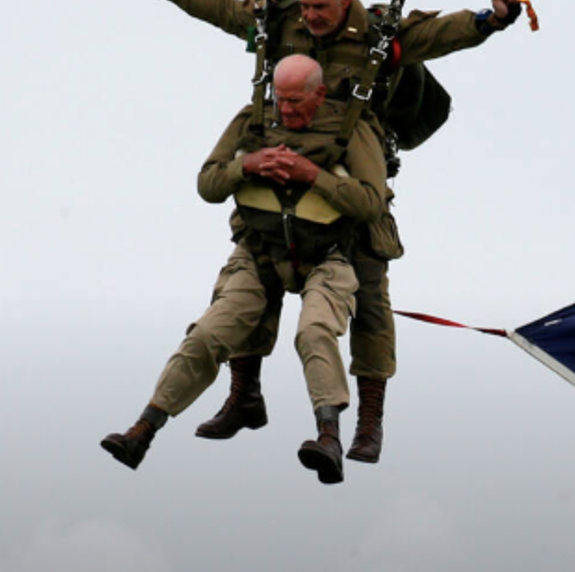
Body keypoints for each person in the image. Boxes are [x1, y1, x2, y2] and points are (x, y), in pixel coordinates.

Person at [139, 0, 525, 463]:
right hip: (279, 173)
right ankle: (244, 397)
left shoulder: (379, 34)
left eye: (321, 7)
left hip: (351, 175)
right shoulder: (283, 22)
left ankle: (368, 424)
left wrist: (493, 18)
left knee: (369, 300)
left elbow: (440, 34)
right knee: (252, 275)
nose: (311, 16)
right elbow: (228, 13)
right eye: (306, 5)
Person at [100, 55, 391, 485]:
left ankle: (329, 435)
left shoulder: (352, 127)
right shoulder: (251, 122)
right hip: (259, 251)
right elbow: (208, 183)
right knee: (207, 334)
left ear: (320, 94)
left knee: (313, 332)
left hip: (329, 254)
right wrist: (248, 167)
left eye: (297, 102)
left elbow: (371, 202)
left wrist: (313, 175)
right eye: (281, 100)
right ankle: (144, 429)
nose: (286, 111)